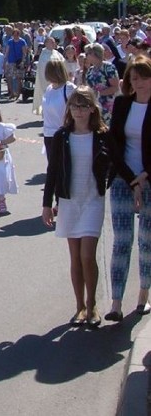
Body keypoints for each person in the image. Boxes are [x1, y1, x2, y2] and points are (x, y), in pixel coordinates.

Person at [42, 87, 111, 328]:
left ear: (93, 109)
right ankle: (79, 306)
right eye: (75, 106)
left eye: (84, 106)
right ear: (69, 109)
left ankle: (92, 304)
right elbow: (52, 172)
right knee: (75, 258)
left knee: (86, 255)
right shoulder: (63, 136)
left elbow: (115, 163)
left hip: (92, 200)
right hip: (69, 202)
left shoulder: (102, 135)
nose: (79, 111)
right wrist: (47, 205)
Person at [105, 56, 151, 322]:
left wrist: (144, 177)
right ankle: (116, 302)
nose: (139, 83)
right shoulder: (123, 104)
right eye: (134, 78)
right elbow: (113, 145)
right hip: (124, 179)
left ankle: (143, 294)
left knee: (147, 241)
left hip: (148, 179)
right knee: (122, 241)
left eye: (144, 77)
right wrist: (132, 179)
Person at [42, 60, 76, 163]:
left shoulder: (68, 88)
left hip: (63, 134)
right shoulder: (49, 89)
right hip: (48, 134)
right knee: (52, 167)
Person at [83, 43, 119, 124]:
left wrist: (98, 93)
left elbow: (115, 87)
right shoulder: (90, 70)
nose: (86, 56)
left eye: (87, 53)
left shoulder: (108, 67)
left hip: (107, 106)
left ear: (94, 53)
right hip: (93, 106)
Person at [32, 37, 64, 115]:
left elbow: (63, 63)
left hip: (57, 78)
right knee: (47, 95)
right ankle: (46, 112)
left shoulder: (57, 53)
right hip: (46, 79)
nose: (54, 44)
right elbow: (43, 66)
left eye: (54, 42)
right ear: (46, 44)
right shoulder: (43, 53)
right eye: (51, 42)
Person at [3, 29, 28, 100]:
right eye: (14, 35)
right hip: (11, 61)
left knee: (18, 78)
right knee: (9, 77)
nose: (15, 36)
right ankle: (11, 93)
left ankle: (18, 93)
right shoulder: (10, 42)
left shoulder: (22, 41)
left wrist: (23, 61)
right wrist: (5, 62)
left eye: (17, 35)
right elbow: (7, 52)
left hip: (19, 61)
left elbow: (24, 52)